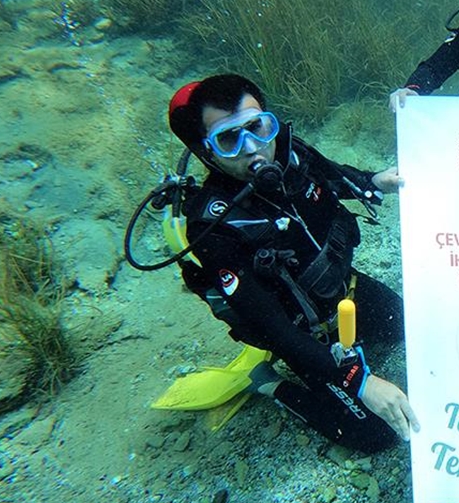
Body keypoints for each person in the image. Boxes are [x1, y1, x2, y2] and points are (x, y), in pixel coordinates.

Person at [163, 73, 419, 452]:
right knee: (377, 436)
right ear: (207, 151)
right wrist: (360, 381)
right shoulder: (214, 226)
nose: (253, 148)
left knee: (408, 327)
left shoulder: (290, 153)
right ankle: (268, 383)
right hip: (302, 332)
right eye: (230, 139)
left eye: (257, 127)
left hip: (344, 292)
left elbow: (333, 175)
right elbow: (274, 328)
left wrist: (372, 181)